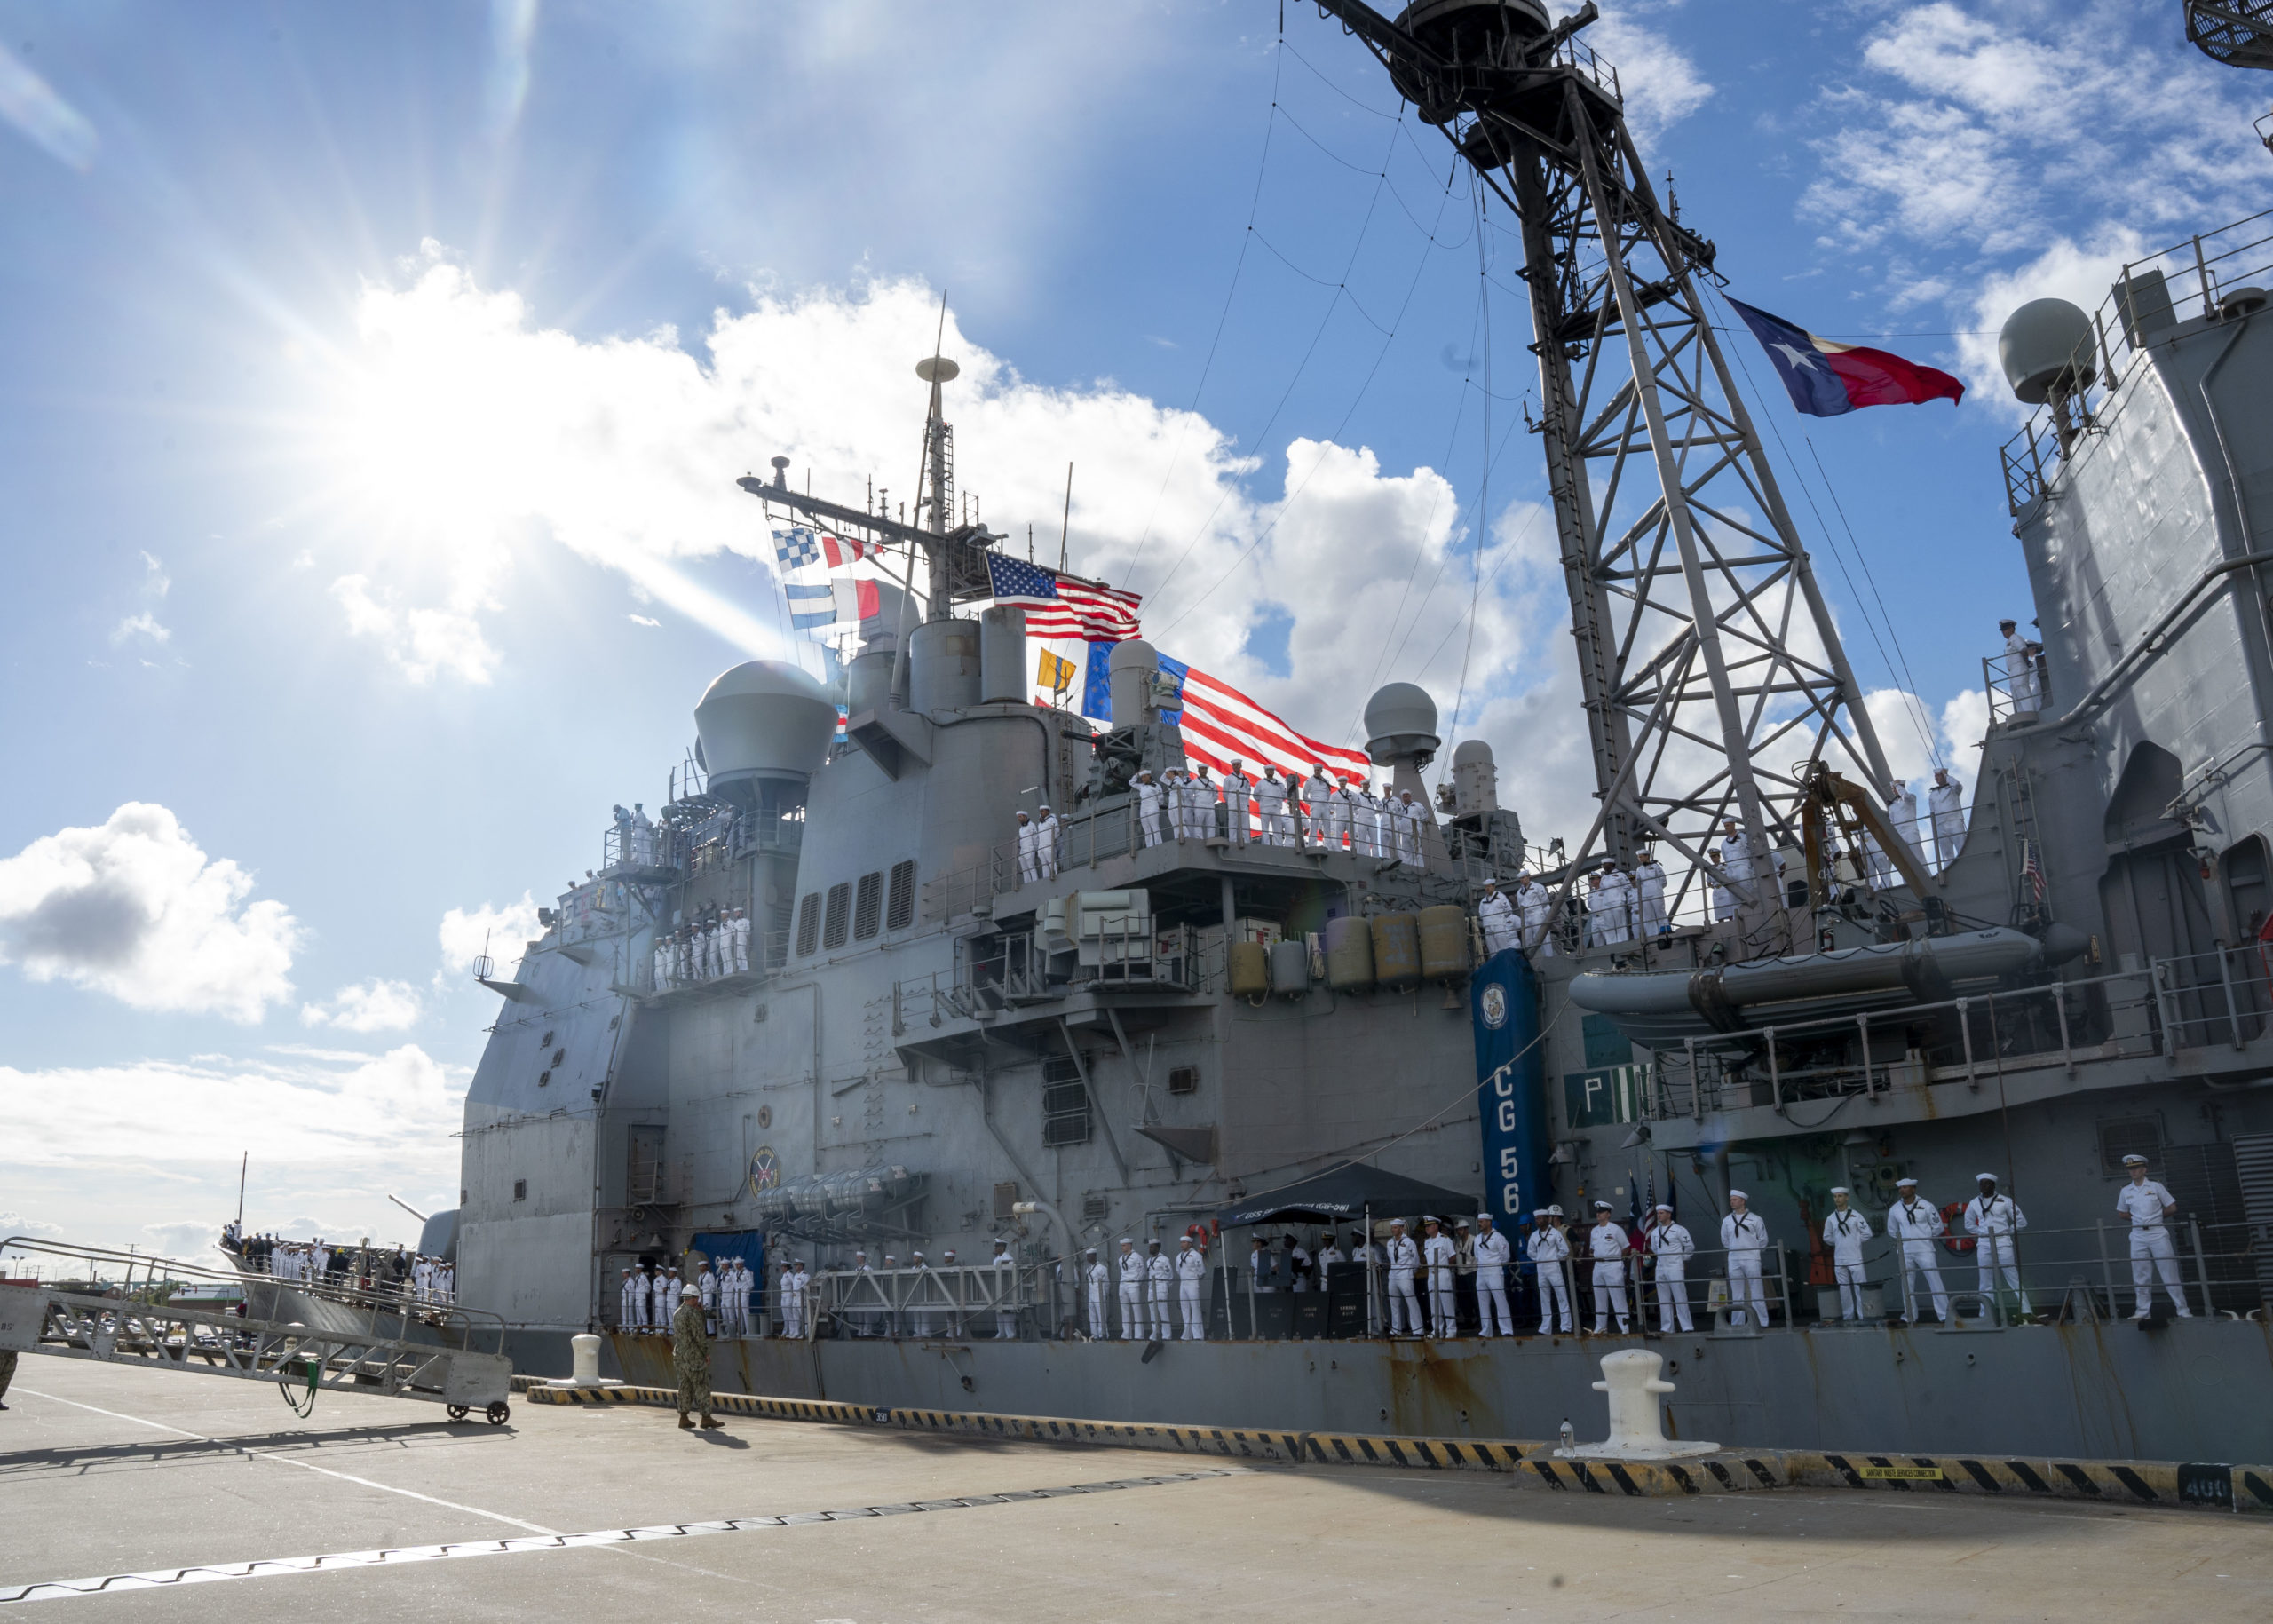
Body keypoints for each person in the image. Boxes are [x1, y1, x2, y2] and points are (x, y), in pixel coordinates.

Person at [2116, 1154, 2191, 1319]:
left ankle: (2182, 1309)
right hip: (2137, 1234)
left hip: (2157, 1233)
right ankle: (2142, 1311)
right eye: (2130, 1169)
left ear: (2144, 1169)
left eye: (2136, 1168)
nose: (2133, 1172)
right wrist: (2137, 1220)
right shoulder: (2125, 1190)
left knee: (2169, 1272)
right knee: (2141, 1275)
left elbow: (2171, 1207)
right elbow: (2122, 1213)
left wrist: (2156, 1217)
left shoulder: (2156, 1187)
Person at [1963, 1174, 2031, 1319]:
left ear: (1993, 1186)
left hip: (2002, 1242)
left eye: (1987, 1184)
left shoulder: (2006, 1201)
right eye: (1982, 1184)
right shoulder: (1974, 1203)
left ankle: (2026, 1311)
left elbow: (2021, 1222)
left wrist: (2006, 1232)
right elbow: (1968, 1224)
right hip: (1984, 1243)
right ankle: (1986, 1313)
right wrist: (1983, 1233)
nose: (1984, 1187)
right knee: (1985, 1281)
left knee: (2012, 1276)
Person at [1886, 1177, 1952, 1324]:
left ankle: (1945, 1315)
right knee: (1907, 1286)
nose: (1902, 1190)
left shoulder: (1926, 1206)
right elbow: (1892, 1230)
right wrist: (1903, 1240)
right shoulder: (1895, 1209)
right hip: (1905, 1251)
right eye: (1900, 1188)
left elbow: (1938, 1227)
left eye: (1905, 1187)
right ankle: (1910, 1316)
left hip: (1925, 1250)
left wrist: (1925, 1238)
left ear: (1913, 1189)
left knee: (1935, 1281)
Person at [671, 1283, 723, 1430]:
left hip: (680, 1355)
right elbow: (699, 1336)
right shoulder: (693, 1313)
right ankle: (706, 1417)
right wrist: (705, 1353)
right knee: (701, 1385)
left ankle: (683, 1417)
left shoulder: (677, 1312)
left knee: (684, 1386)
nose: (698, 1300)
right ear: (693, 1298)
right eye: (696, 1298)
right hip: (693, 1355)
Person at [1720, 1191, 1771, 1329]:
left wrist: (1753, 1251)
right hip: (1734, 1259)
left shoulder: (1755, 1219)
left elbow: (1763, 1239)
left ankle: (1761, 1321)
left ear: (1743, 1201)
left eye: (1735, 1200)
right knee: (1737, 1294)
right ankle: (1738, 1323)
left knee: (1757, 1291)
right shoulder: (1727, 1220)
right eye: (1731, 1200)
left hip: (1751, 1258)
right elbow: (1725, 1240)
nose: (1732, 1202)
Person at [1822, 1188, 1873, 1323]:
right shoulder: (1831, 1218)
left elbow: (1867, 1233)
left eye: (1840, 1196)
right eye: (1835, 1197)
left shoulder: (1856, 1215)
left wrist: (1854, 1241)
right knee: (1844, 1289)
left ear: (1847, 1198)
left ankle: (1863, 1316)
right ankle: (1848, 1316)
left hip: (1855, 1256)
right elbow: (1827, 1237)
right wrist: (1839, 1242)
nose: (1837, 1199)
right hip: (1839, 1257)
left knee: (1859, 1287)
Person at [1645, 1205, 1695, 1332]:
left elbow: (1689, 1247)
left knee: (1680, 1297)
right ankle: (1667, 1327)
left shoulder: (1679, 1230)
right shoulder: (1656, 1231)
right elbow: (1655, 1249)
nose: (1659, 1215)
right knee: (1663, 1299)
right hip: (1661, 1267)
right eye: (1658, 1213)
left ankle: (1687, 1326)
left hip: (1674, 1267)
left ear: (1669, 1214)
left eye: (1662, 1213)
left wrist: (1680, 1259)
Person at [1586, 1201, 1632, 1334]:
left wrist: (1619, 1261)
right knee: (1599, 1299)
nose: (1598, 1214)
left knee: (1618, 1298)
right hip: (1598, 1266)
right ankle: (1600, 1328)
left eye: (1601, 1212)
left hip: (1613, 1265)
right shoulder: (1594, 1231)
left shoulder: (1616, 1229)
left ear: (1608, 1214)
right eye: (1597, 1212)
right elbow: (1591, 1249)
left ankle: (1625, 1328)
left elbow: (1626, 1247)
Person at [1526, 1207, 1573, 1334]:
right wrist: (1540, 1259)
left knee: (1561, 1296)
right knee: (1544, 1298)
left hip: (1554, 1268)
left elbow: (1564, 1250)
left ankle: (1566, 1326)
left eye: (1540, 1218)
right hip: (1541, 1269)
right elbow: (1530, 1251)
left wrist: (1554, 1259)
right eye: (1536, 1219)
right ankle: (1546, 1327)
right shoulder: (1534, 1235)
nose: (1538, 1221)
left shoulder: (1555, 1233)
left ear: (1547, 1219)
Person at [1472, 1213, 1515, 1336]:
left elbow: (1505, 1256)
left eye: (1482, 1221)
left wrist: (1495, 1265)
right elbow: (1476, 1255)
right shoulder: (1477, 1239)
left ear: (1489, 1222)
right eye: (1479, 1221)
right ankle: (1486, 1330)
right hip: (1481, 1272)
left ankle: (1507, 1330)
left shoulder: (1498, 1237)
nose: (1480, 1224)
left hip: (1494, 1271)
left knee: (1500, 1300)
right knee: (1483, 1302)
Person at [1383, 1218, 1423, 1336]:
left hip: (1405, 1274)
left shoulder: (1409, 1242)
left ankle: (1418, 1329)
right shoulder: (1390, 1242)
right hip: (1393, 1275)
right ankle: (1396, 1329)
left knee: (1411, 1301)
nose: (1393, 1230)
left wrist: (1411, 1272)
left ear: (1401, 1228)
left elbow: (1415, 1259)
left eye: (1395, 1227)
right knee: (1394, 1303)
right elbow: (1391, 1258)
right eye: (1392, 1227)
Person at [1422, 1217, 1457, 1338]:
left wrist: (1444, 1266)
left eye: (1429, 1225)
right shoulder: (1427, 1242)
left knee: (1447, 1301)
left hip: (1442, 1272)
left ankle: (1451, 1329)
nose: (1427, 1228)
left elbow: (1453, 1257)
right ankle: (1437, 1329)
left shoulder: (1445, 1240)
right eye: (1426, 1226)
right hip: (1431, 1274)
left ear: (1436, 1226)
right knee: (1434, 1303)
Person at [1714, 818, 1751, 923]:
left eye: (1728, 825)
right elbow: (1725, 856)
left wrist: (1748, 865)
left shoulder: (1743, 837)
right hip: (1731, 869)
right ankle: (1736, 918)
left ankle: (1750, 914)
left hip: (1742, 866)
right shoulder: (1724, 843)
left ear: (1734, 825)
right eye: (1725, 826)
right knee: (1733, 894)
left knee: (1745, 890)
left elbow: (1749, 851)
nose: (1726, 828)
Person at [1928, 767, 1965, 871]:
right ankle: (1950, 871)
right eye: (1935, 776)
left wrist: (1947, 776)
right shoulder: (1932, 794)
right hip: (1941, 826)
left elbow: (1958, 785)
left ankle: (1966, 867)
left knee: (1962, 847)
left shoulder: (1953, 789)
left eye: (1939, 775)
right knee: (1946, 855)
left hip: (1955, 822)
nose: (1936, 778)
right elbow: (1932, 813)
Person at [2000, 618, 2039, 714]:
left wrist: (2027, 662)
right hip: (2012, 671)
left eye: (2005, 629)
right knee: (2015, 692)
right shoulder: (2008, 642)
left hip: (2019, 667)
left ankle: (2030, 712)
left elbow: (2023, 650)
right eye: (2002, 630)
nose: (2004, 632)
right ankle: (2022, 713)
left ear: (2011, 628)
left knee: (2021, 688)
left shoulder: (2016, 638)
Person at [1514, 871, 1556, 958]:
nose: (1522, 880)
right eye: (1520, 878)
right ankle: (1532, 959)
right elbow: (1520, 905)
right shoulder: (1519, 892)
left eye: (1523, 878)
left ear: (1528, 877)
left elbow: (1545, 901)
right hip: (1526, 916)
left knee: (1543, 936)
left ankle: (1549, 957)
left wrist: (1537, 908)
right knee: (1527, 938)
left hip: (1536, 914)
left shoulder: (1537, 887)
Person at [1175, 1235, 1208, 1341]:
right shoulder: (1178, 1256)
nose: (1182, 1244)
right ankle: (1187, 1334)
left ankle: (1198, 1334)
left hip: (1193, 1283)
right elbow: (1178, 1270)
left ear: (1190, 1244)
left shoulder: (1196, 1255)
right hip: (1183, 1284)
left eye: (1184, 1242)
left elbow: (1201, 1271)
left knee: (1195, 1308)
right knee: (1185, 1309)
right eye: (1181, 1242)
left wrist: (1195, 1279)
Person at [1477, 881, 1520, 956]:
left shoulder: (1501, 897)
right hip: (1488, 926)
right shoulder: (1483, 901)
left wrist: (1500, 918)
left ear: (1493, 887)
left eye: (1489, 886)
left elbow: (1508, 910)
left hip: (1498, 925)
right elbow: (1481, 914)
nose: (1487, 888)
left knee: (1503, 948)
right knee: (1492, 950)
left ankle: (1506, 964)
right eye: (1486, 887)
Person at [1144, 1238, 1174, 1339]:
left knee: (1163, 1311)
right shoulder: (1149, 1261)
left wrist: (1165, 1286)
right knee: (1152, 1311)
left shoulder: (1164, 1259)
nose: (1150, 1248)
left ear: (1157, 1247)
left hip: (1161, 1286)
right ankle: (1155, 1332)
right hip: (1151, 1288)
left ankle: (1167, 1334)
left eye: (1152, 1246)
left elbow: (1169, 1275)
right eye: (1149, 1246)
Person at [1635, 847, 1667, 937]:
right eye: (1639, 857)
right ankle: (1652, 933)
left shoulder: (1655, 866)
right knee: (1648, 914)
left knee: (1659, 911)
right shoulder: (1639, 869)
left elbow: (1663, 879)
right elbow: (1638, 882)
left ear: (1647, 856)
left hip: (1655, 891)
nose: (1640, 859)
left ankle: (1664, 928)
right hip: (1645, 893)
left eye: (1641, 857)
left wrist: (1658, 888)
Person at [1116, 1239, 1144, 1339]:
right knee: (1125, 1310)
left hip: (1133, 1284)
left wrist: (1137, 1283)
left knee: (1136, 1309)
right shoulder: (1121, 1258)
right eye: (1122, 1245)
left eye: (1124, 1245)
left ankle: (1139, 1334)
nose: (1122, 1247)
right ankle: (1126, 1333)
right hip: (1123, 1284)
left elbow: (1142, 1272)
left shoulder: (1137, 1257)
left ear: (1129, 1245)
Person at [1255, 767, 1291, 847]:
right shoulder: (1260, 783)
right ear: (1265, 771)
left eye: (1272, 770)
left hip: (1276, 807)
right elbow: (1256, 795)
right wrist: (1263, 802)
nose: (1270, 771)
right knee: (1265, 828)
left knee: (1277, 828)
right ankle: (1266, 844)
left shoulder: (1279, 784)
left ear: (1274, 772)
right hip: (1265, 807)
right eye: (1268, 770)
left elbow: (1284, 795)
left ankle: (1278, 845)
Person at [1222, 758, 1253, 845]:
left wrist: (1245, 800)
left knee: (1245, 824)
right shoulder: (1228, 778)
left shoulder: (1246, 778)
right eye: (1234, 765)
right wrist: (1230, 802)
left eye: (1238, 764)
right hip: (1233, 802)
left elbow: (1248, 791)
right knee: (1233, 823)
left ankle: (1246, 841)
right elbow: (1225, 793)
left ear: (1241, 766)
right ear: (1232, 766)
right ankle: (1233, 841)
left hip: (1243, 802)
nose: (1236, 766)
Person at [1134, 771, 1165, 849]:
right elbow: (1131, 783)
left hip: (1153, 806)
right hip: (1143, 808)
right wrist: (1136, 775)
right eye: (1142, 777)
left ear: (1149, 776)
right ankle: (1150, 845)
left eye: (1144, 776)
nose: (1143, 779)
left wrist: (1158, 805)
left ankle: (1158, 844)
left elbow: (1161, 797)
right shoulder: (1142, 786)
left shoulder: (1156, 786)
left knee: (1155, 827)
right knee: (1146, 829)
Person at [1303, 765, 1332, 848]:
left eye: (1318, 770)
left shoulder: (1326, 781)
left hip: (1325, 806)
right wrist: (1312, 803)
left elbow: (1328, 795)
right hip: (1315, 805)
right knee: (1313, 826)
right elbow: (1305, 796)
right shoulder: (1309, 781)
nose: (1317, 771)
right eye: (1315, 770)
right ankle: (1312, 846)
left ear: (1321, 770)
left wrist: (1327, 804)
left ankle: (1328, 846)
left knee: (1327, 827)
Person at [1083, 1248, 1108, 1339]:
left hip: (1099, 1293)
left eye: (1089, 1256)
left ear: (1094, 1256)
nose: (1088, 1258)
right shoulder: (1088, 1269)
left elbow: (1106, 1282)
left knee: (1101, 1315)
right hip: (1091, 1293)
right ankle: (1094, 1334)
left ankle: (1103, 1334)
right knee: (1092, 1315)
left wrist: (1105, 1294)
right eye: (1087, 1256)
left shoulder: (1102, 1268)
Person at [1014, 810, 1039, 884]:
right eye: (1018, 817)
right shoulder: (1021, 829)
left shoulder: (1031, 825)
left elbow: (1035, 837)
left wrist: (1035, 848)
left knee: (1031, 866)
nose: (1019, 818)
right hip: (1023, 850)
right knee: (1024, 869)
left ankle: (1035, 882)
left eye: (1020, 817)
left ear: (1025, 817)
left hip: (1029, 848)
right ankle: (1027, 883)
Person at [697, 1256, 720, 1336]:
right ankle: (703, 1330)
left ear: (705, 1267)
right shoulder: (700, 1276)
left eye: (702, 1266)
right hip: (702, 1295)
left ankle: (711, 1331)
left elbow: (713, 1286)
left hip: (707, 1295)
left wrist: (709, 1292)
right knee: (700, 1313)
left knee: (707, 1313)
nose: (700, 1268)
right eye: (699, 1266)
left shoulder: (709, 1275)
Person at [619, 1265, 643, 1332]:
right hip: (624, 1299)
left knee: (629, 1314)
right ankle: (624, 1327)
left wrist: (630, 1299)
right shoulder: (625, 1281)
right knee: (624, 1314)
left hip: (629, 1299)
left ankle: (631, 1327)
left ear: (627, 1274)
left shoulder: (631, 1281)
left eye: (624, 1273)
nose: (623, 1275)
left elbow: (633, 1291)